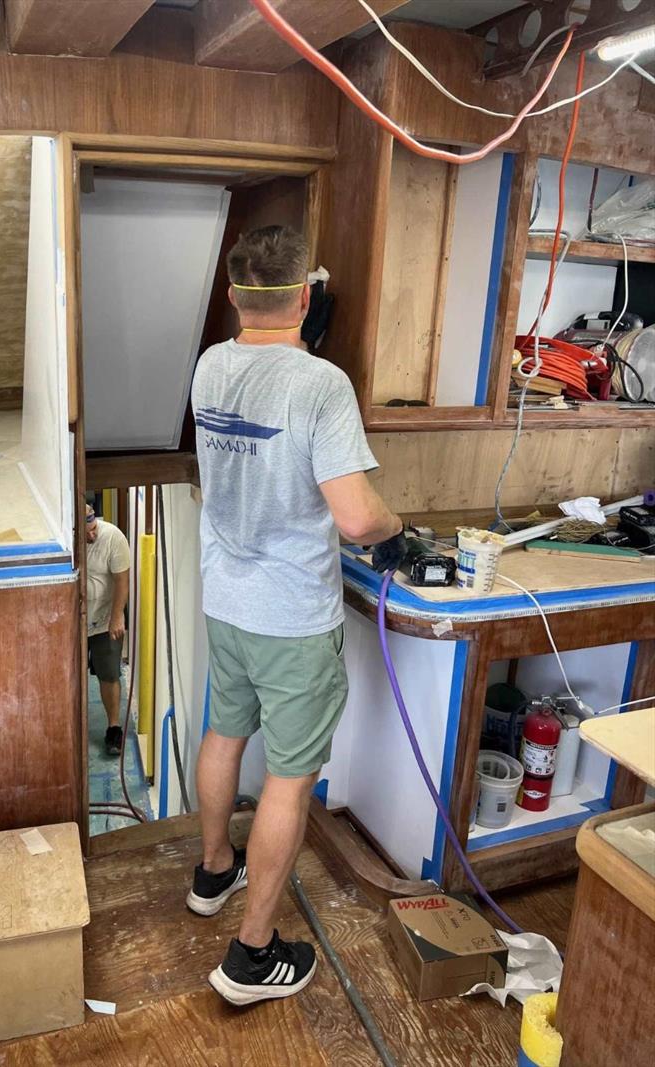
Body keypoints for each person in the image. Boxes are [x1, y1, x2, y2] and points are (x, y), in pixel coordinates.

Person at [187, 225, 406, 1006]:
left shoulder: (212, 364)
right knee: (289, 779)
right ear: (305, 299)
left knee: (225, 730)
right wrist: (396, 528)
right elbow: (355, 517)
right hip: (289, 613)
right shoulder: (320, 384)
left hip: (227, 598)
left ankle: (214, 870)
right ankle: (251, 955)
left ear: (233, 294)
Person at [86, 502, 131, 757]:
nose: (92, 535)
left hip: (105, 619)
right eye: (86, 533)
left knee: (109, 674)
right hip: (75, 621)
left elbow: (122, 580)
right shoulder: (66, 541)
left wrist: (117, 618)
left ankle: (113, 727)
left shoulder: (113, 537)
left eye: (93, 529)